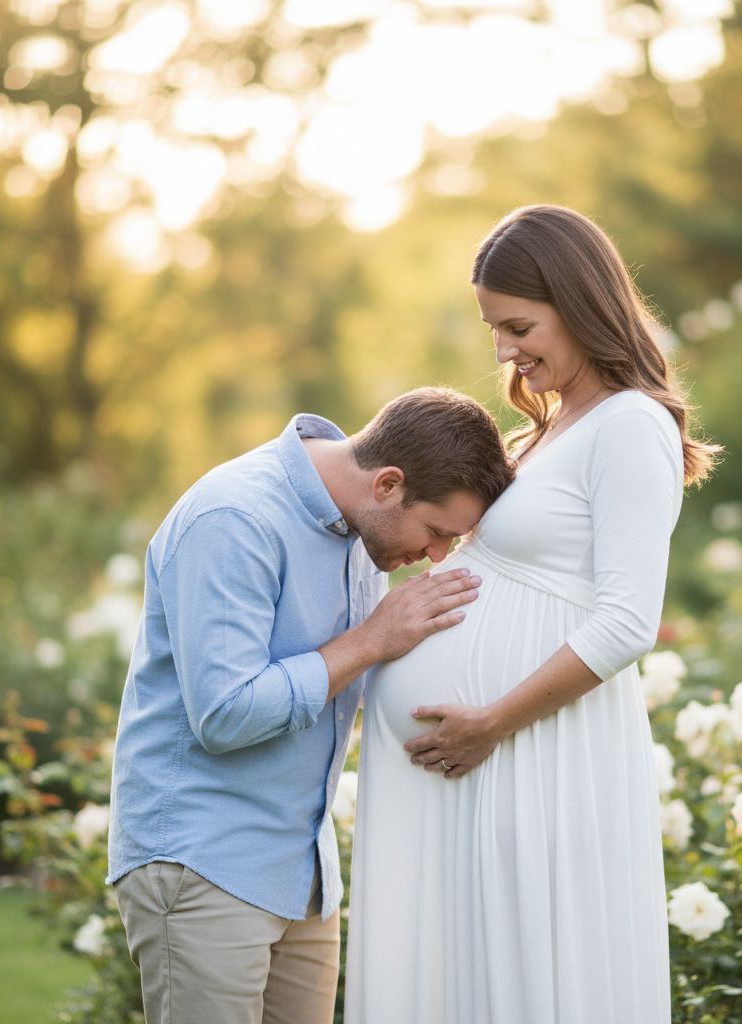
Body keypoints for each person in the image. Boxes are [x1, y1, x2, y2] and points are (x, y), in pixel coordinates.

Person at [345, 206, 721, 1023]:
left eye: (519, 326)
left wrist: (493, 720)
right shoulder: (550, 431)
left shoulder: (629, 426)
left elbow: (625, 622)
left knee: (530, 974)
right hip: (483, 760)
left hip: (535, 751)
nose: (504, 351)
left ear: (581, 302)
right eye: (494, 329)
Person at [107, 386, 515, 1024]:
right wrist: (373, 639)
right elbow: (225, 713)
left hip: (301, 871)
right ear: (387, 484)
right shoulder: (233, 518)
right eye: (437, 532)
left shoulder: (363, 531)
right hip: (203, 860)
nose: (435, 555)